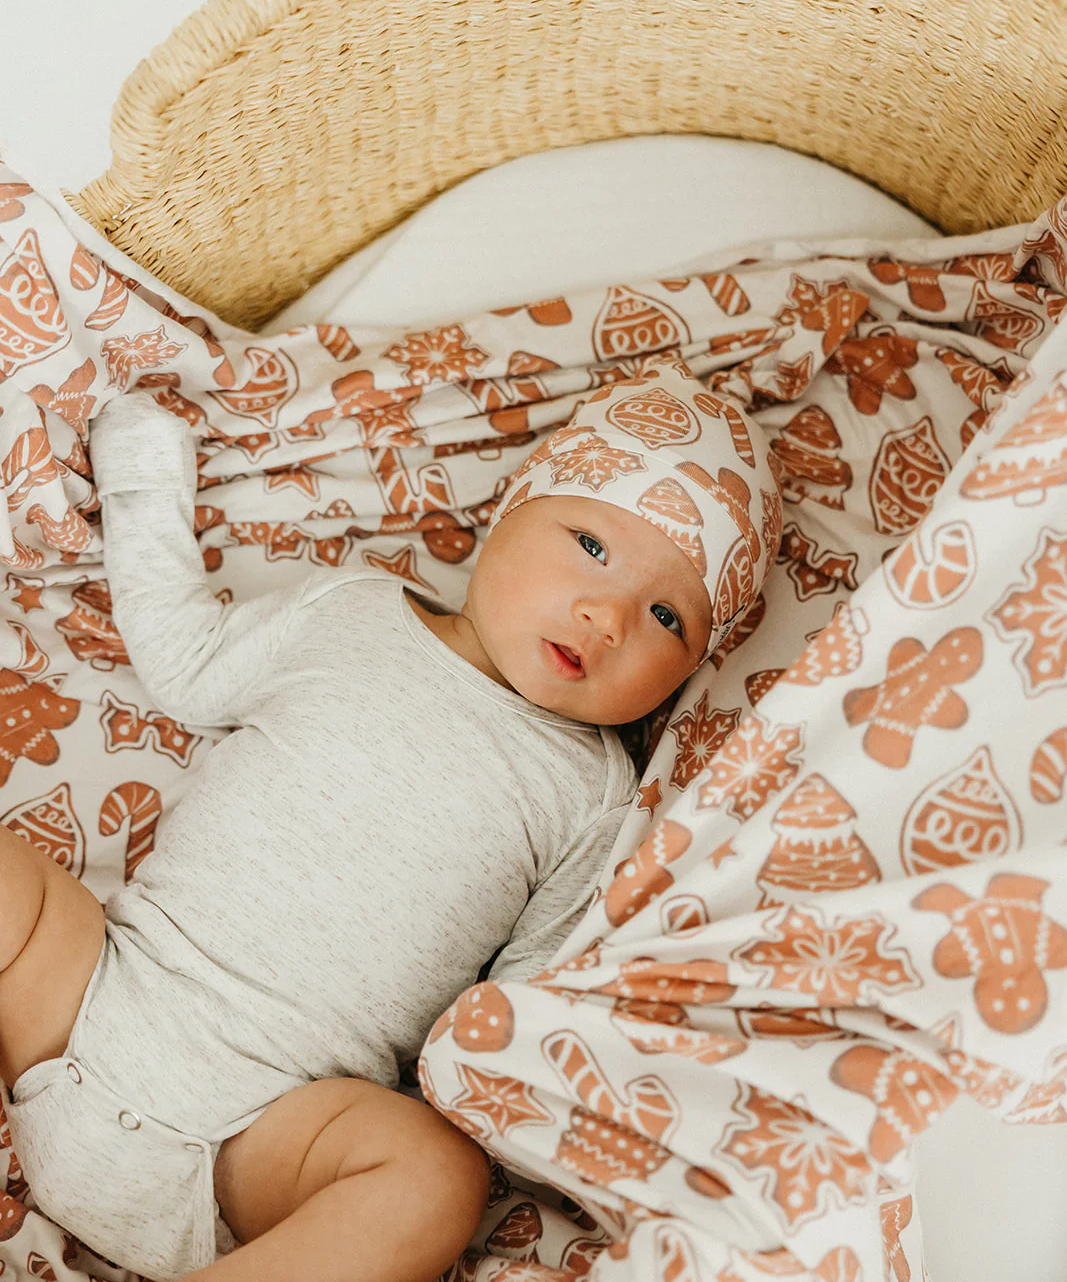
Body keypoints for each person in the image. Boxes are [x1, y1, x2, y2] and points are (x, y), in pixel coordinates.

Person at [0, 360, 781, 1282]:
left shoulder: (596, 796)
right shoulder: (354, 609)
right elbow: (184, 659)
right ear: (514, 509)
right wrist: (139, 475)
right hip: (88, 1004)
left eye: (666, 616)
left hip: (265, 1138)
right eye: (591, 544)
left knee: (433, 1178)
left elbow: (525, 1003)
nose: (606, 615)